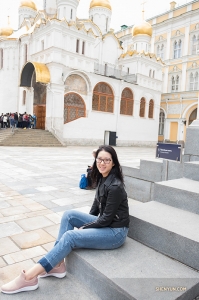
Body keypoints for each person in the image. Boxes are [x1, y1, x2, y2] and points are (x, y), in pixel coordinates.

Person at [1, 145, 130, 295]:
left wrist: (86, 228)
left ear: (114, 163)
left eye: (107, 160)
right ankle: (57, 264)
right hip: (105, 222)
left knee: (70, 237)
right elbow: (95, 208)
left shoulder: (115, 186)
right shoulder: (103, 177)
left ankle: (29, 276)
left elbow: (106, 220)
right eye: (99, 159)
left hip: (115, 232)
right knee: (69, 215)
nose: (102, 163)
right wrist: (87, 225)